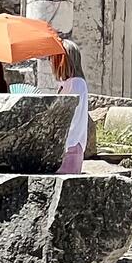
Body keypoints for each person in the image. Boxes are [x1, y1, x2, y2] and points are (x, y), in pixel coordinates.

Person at [50, 38, 89, 176]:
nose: (51, 63)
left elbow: (66, 114)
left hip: (71, 144)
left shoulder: (76, 84)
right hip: (68, 145)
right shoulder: (70, 83)